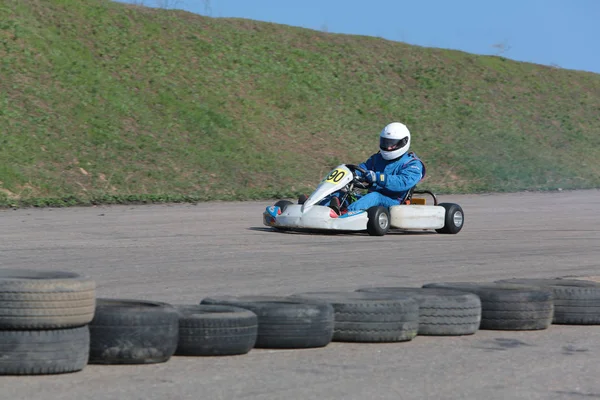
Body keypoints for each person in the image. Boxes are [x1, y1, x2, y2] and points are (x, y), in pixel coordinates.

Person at [328, 121, 426, 215]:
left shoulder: (413, 164)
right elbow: (362, 169)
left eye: (392, 144)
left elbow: (402, 182)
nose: (388, 148)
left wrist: (378, 178)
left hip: (394, 203)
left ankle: (344, 215)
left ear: (404, 142)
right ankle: (324, 210)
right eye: (385, 143)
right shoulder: (377, 159)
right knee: (339, 193)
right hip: (370, 199)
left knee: (374, 197)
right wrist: (349, 174)